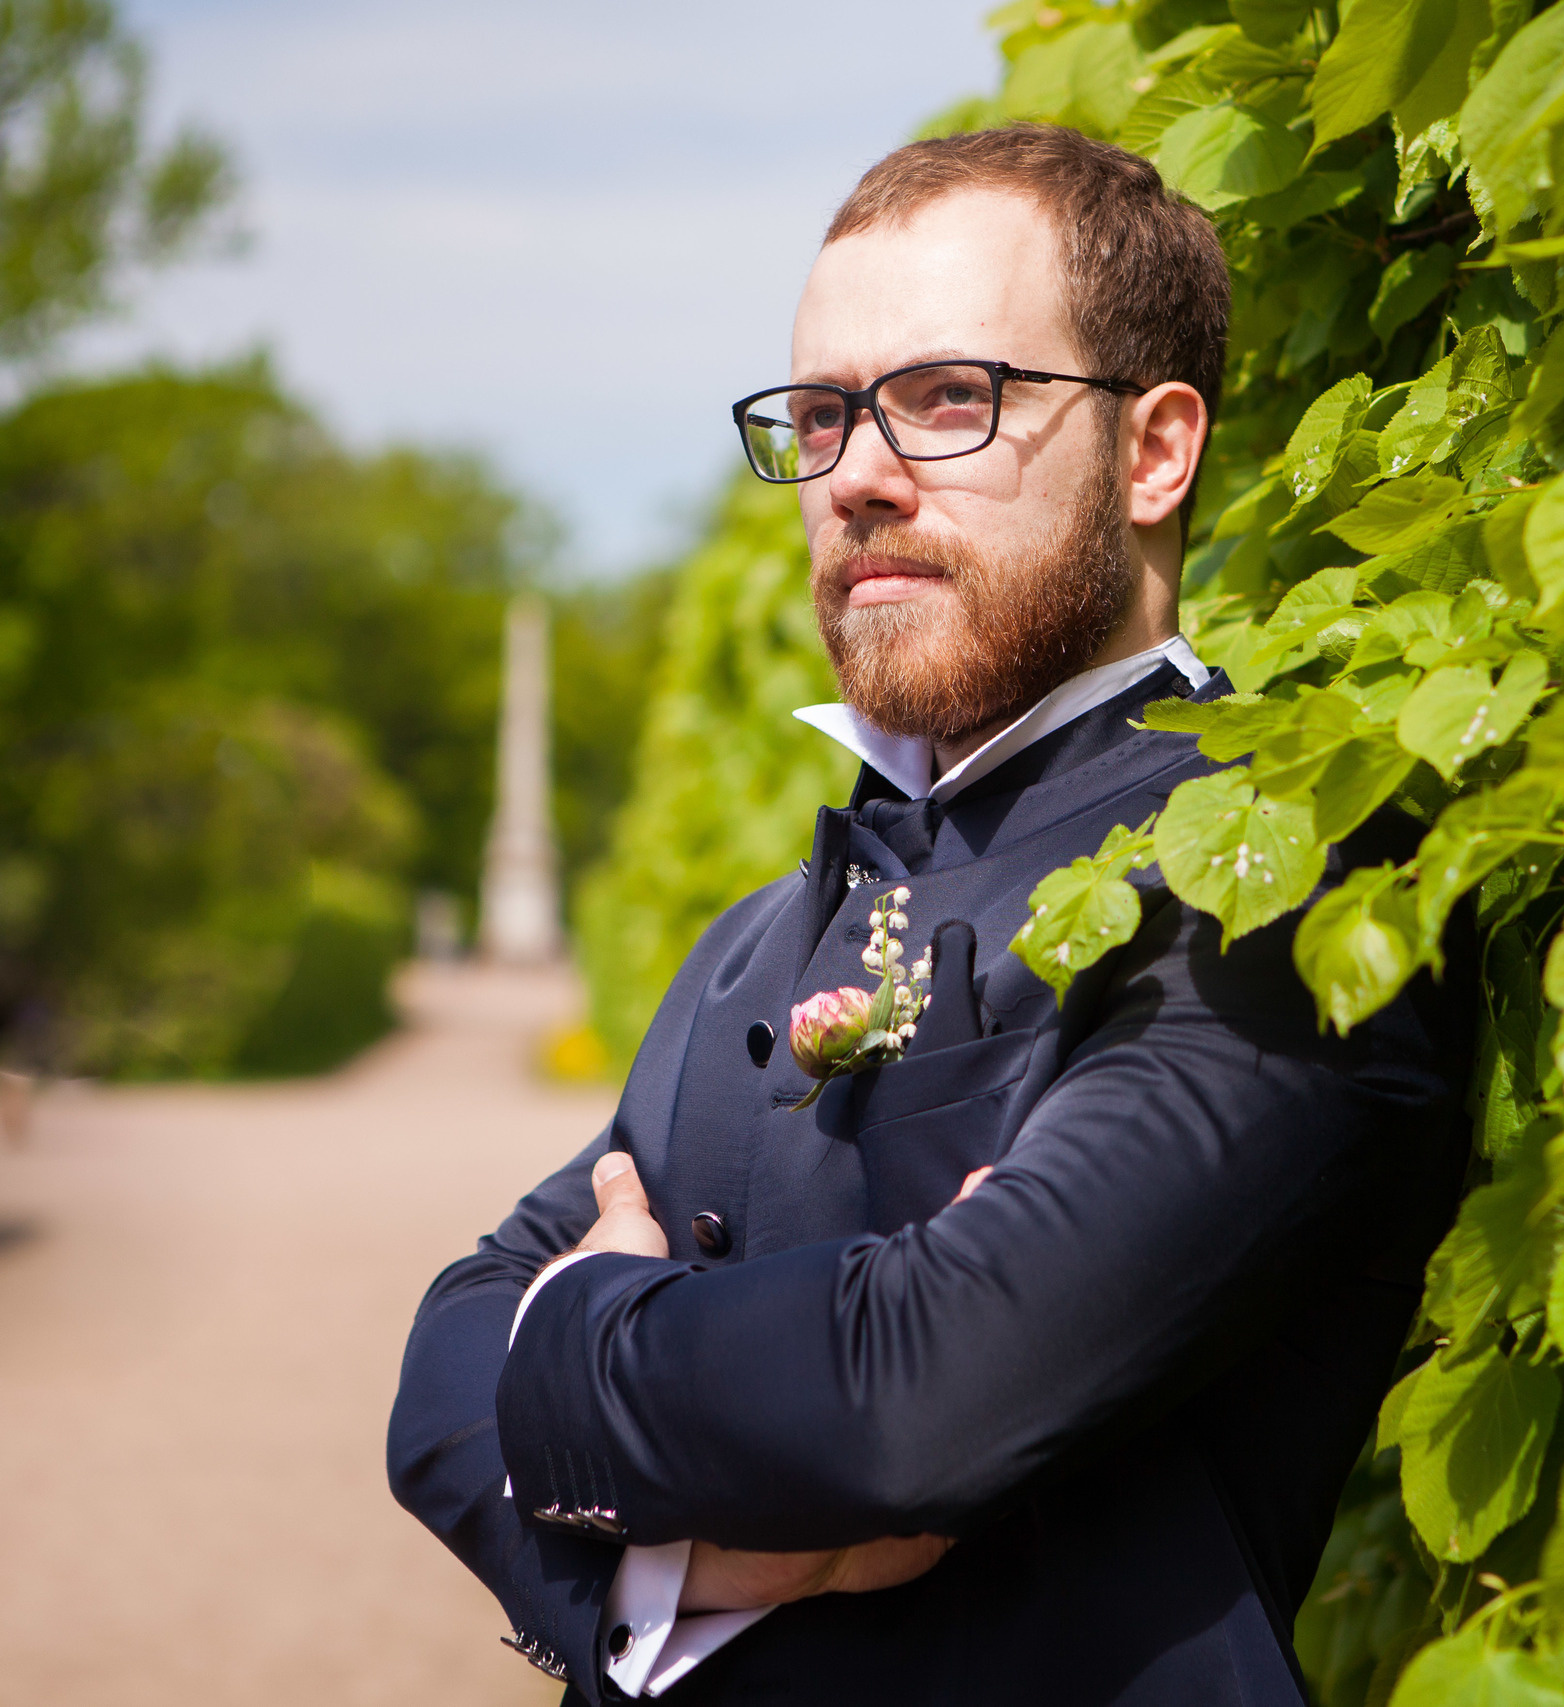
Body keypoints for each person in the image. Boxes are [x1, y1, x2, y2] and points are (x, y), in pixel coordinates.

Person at [388, 125, 1470, 1706]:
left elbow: (911, 1400)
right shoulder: (749, 943)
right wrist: (701, 1554)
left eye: (950, 398)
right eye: (822, 415)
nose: (859, 477)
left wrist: (582, 1323)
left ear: (1156, 451)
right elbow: (434, 1380)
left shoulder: (1285, 881)